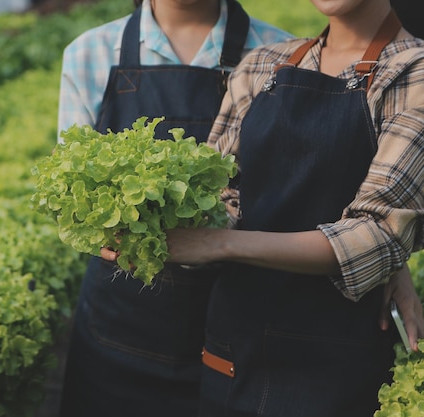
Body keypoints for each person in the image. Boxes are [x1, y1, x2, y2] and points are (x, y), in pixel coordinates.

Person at [101, 0, 424, 415]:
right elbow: (224, 198)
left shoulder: (412, 72)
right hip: (234, 343)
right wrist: (152, 230)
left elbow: (376, 235)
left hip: (334, 359)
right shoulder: (262, 64)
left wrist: (218, 244)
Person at [56, 1, 291, 416]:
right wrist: (107, 234)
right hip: (119, 328)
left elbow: (303, 188)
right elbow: (72, 196)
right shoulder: (90, 53)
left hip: (238, 326)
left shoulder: (282, 53)